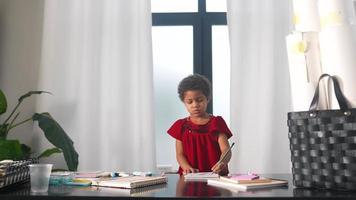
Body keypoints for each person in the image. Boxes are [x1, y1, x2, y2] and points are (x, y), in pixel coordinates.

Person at [167, 74, 233, 175]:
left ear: (207, 99)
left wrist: (223, 162)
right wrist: (186, 167)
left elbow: (226, 150)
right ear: (184, 102)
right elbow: (180, 154)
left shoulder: (217, 123)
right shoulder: (181, 126)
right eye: (190, 102)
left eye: (199, 100)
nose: (195, 105)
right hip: (189, 176)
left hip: (216, 176)